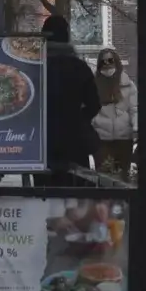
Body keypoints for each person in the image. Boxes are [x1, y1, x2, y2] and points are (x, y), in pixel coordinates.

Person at [41, 13, 102, 185]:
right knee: (74, 190)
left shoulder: (36, 67)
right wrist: (78, 118)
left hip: (43, 141)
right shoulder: (79, 67)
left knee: (44, 191)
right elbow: (94, 104)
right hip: (75, 140)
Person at [90, 47, 136, 179]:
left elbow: (134, 108)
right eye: (103, 62)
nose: (107, 65)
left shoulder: (128, 85)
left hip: (124, 138)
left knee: (122, 176)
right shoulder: (93, 85)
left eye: (110, 61)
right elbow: (88, 109)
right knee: (105, 177)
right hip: (101, 139)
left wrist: (136, 127)